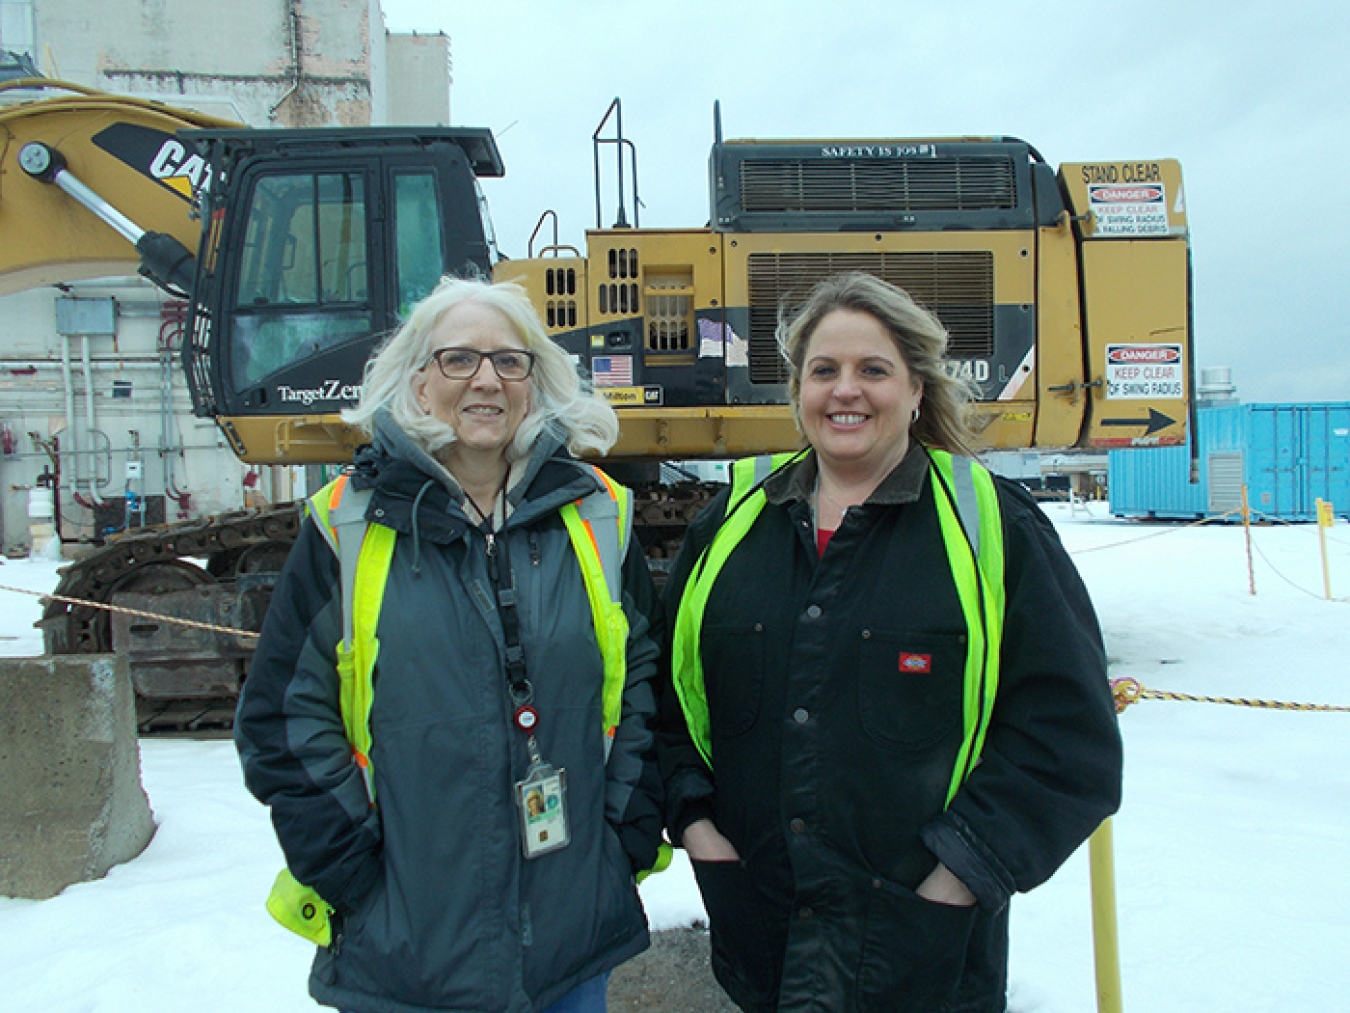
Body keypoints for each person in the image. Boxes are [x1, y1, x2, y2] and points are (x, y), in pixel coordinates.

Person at [659, 272, 1122, 1012]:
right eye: (824, 370)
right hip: (764, 948)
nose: (847, 390)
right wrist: (698, 824)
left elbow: (1068, 742)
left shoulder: (993, 530)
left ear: (915, 390)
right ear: (798, 392)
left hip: (924, 963)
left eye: (874, 370)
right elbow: (668, 700)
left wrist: (961, 873)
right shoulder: (730, 526)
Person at [235, 277, 664, 1012]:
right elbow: (282, 717)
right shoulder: (344, 526)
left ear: (536, 380)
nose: (487, 379)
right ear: (418, 379)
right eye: (459, 359)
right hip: (406, 951)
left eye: (510, 360)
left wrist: (617, 838)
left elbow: (644, 686)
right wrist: (353, 873)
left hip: (567, 940)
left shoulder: (600, 516)